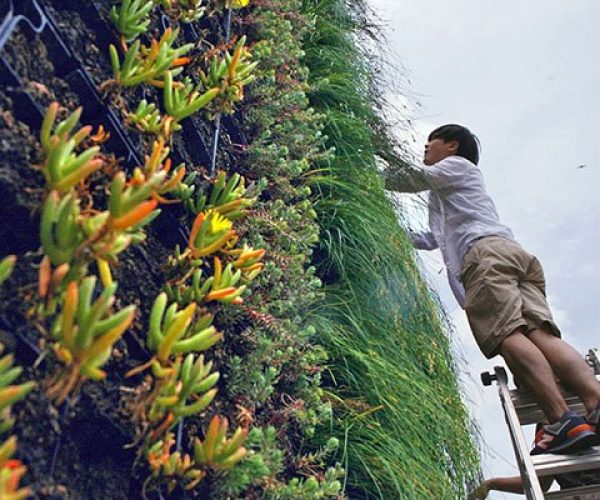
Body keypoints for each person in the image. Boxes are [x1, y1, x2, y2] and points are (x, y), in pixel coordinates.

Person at [384, 124, 600, 454]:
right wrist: (391, 228)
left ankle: (561, 419)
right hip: (511, 254)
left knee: (506, 334)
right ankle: (595, 400)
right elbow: (433, 239)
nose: (424, 149)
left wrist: (371, 176)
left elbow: (412, 177)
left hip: (485, 258)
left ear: (453, 145)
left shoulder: (456, 167)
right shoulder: (450, 189)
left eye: (431, 142)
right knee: (541, 334)